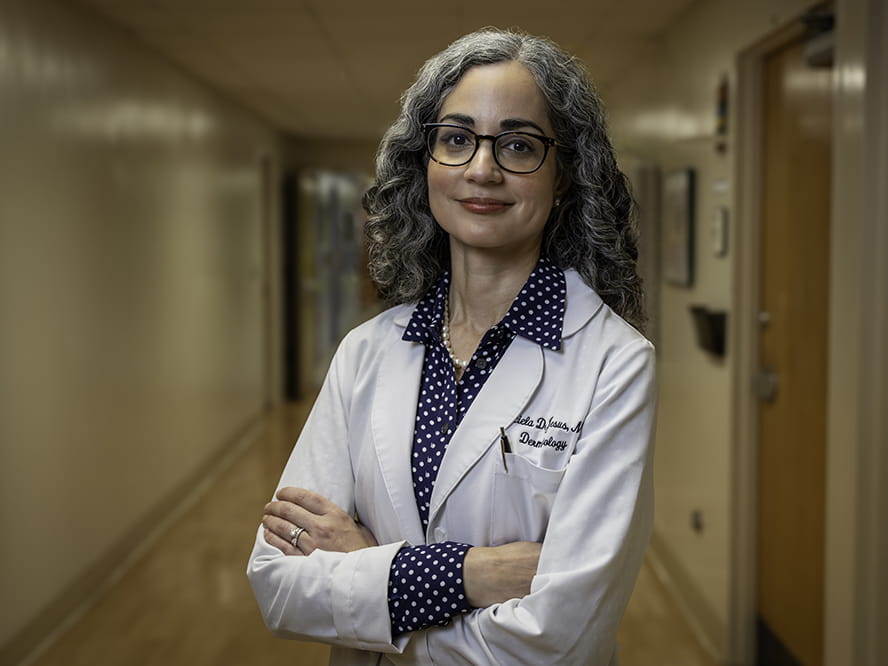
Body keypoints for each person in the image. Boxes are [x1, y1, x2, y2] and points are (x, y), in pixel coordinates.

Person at [247, 27, 656, 665]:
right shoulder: (366, 351)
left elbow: (561, 640)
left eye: (518, 144)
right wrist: (469, 575)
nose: (482, 169)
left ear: (566, 175)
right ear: (426, 161)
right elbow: (279, 586)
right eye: (457, 139)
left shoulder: (613, 363)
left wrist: (367, 572)